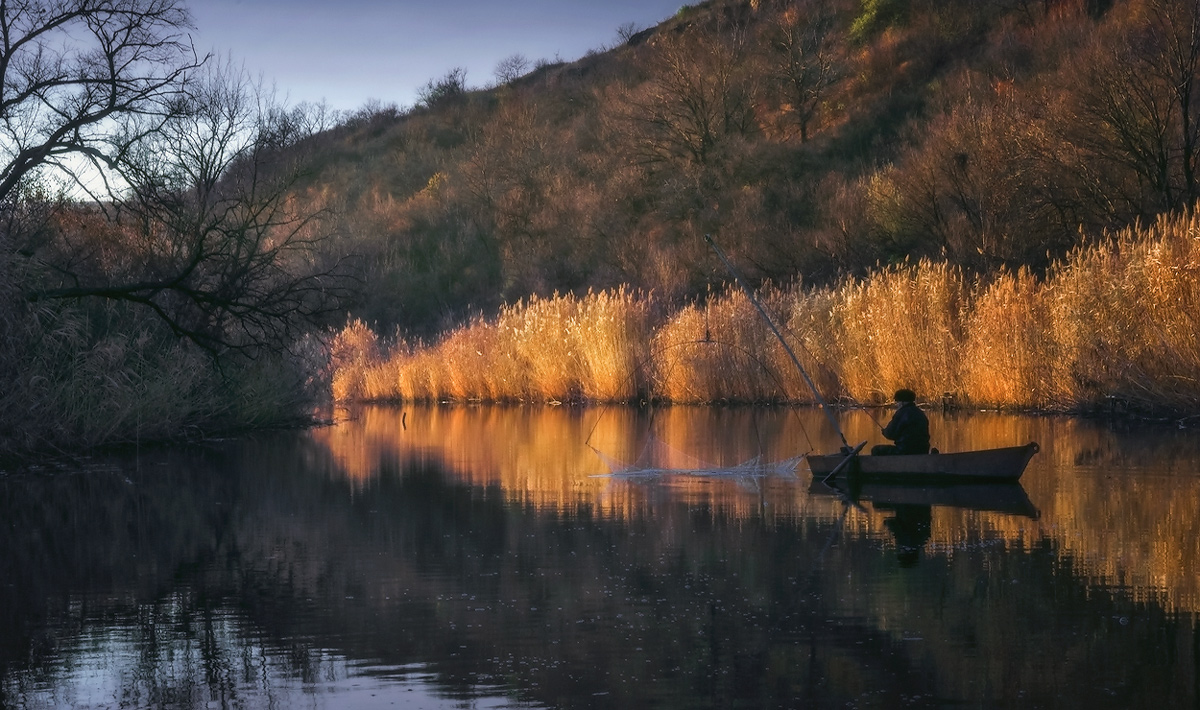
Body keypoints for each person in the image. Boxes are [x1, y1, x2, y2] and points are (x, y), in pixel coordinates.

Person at [871, 388, 930, 456]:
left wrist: (884, 432)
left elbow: (890, 434)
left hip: (904, 451)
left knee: (876, 450)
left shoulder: (901, 413)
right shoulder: (920, 413)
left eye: (897, 402)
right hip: (923, 451)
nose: (897, 404)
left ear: (902, 402)